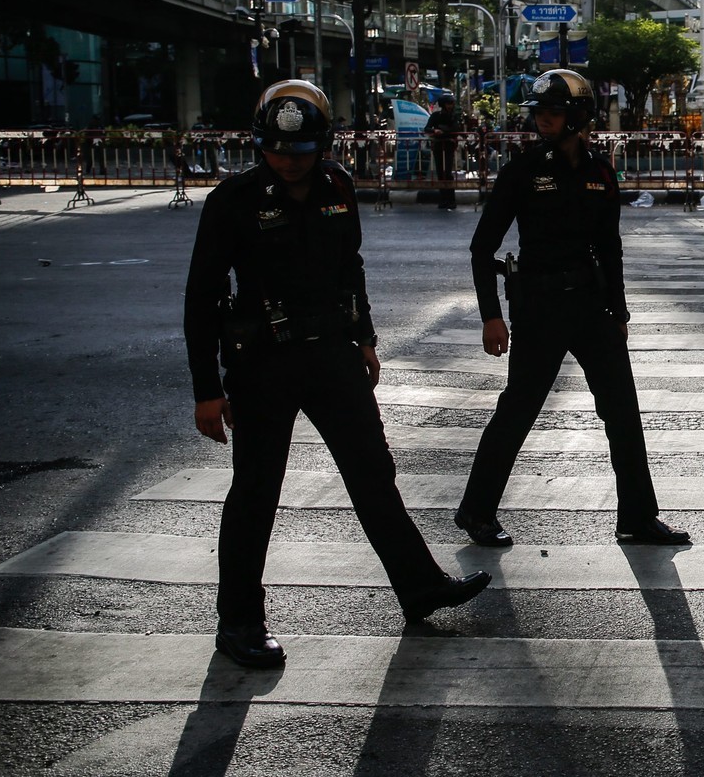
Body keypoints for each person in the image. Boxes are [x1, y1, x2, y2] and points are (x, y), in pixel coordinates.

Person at [183, 80, 490, 669]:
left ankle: (419, 587)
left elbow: (350, 267)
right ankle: (240, 621)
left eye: (300, 151)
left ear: (322, 146)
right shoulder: (233, 200)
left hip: (333, 356)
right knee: (256, 492)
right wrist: (207, 389)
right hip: (263, 363)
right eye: (276, 149)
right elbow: (201, 298)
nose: (288, 161)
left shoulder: (338, 187)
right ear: (259, 143)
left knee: (374, 474)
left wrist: (366, 337)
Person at [455, 68, 687, 548]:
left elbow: (610, 247)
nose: (542, 120)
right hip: (538, 307)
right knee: (518, 409)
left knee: (623, 411)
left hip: (590, 305)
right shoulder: (522, 170)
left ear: (579, 116)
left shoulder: (601, 171)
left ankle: (638, 518)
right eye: (538, 112)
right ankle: (476, 512)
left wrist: (619, 313)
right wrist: (490, 315)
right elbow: (483, 249)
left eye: (553, 112)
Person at [425, 94, 460, 211]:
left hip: (449, 146)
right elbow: (427, 128)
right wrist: (435, 130)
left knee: (448, 173)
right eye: (448, 104)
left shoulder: (453, 116)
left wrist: (442, 130)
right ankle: (443, 199)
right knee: (440, 173)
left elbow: (454, 129)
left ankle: (451, 200)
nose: (451, 106)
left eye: (451, 104)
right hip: (438, 146)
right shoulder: (436, 116)